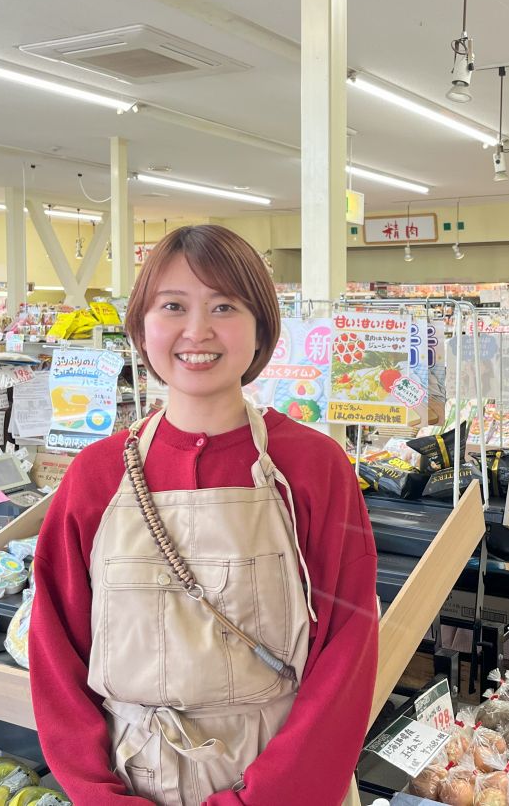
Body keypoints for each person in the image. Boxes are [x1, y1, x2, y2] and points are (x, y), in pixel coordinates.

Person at [30, 225, 378, 805]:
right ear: (142, 326)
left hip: (282, 784)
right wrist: (100, 795)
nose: (197, 331)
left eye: (224, 306)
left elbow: (348, 649)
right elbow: (55, 652)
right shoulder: (95, 477)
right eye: (173, 306)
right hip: (132, 778)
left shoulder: (315, 468)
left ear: (261, 327)